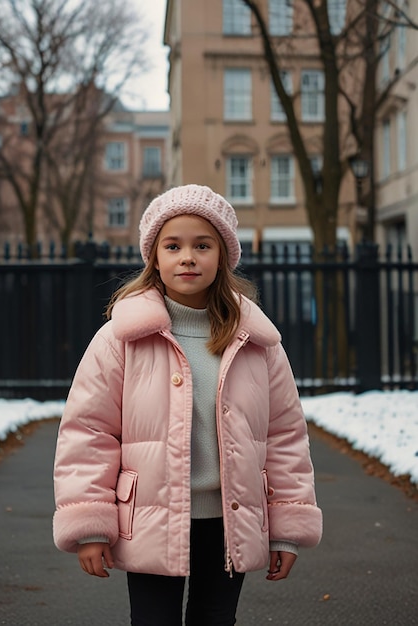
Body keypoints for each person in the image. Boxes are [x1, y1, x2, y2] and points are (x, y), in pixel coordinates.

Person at [53, 184, 322, 625]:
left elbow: (285, 436)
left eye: (203, 245)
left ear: (224, 255)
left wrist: (287, 531)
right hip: (148, 518)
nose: (188, 257)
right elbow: (89, 431)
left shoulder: (257, 342)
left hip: (229, 522)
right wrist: (91, 526)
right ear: (154, 257)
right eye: (173, 245)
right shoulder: (122, 339)